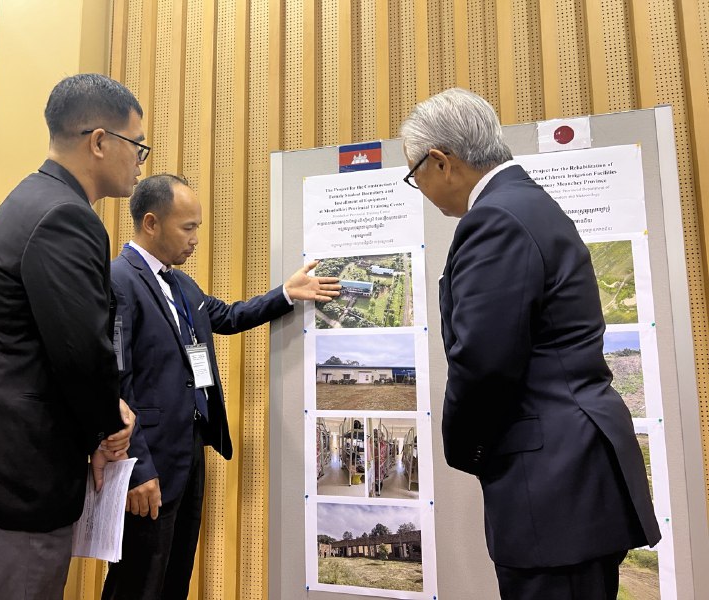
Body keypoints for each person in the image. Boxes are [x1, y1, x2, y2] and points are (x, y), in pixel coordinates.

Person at [399, 88, 661, 599]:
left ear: (441, 162)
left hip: (553, 482)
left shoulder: (495, 219)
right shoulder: (526, 204)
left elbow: (483, 362)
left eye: (415, 175)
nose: (421, 188)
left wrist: (468, 451)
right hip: (572, 471)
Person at [0, 73, 144, 599]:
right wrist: (111, 427)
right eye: (137, 145)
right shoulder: (66, 216)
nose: (139, 160)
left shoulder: (32, 197)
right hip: (13, 477)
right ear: (100, 141)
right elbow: (80, 353)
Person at [102, 174, 340, 600]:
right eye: (187, 227)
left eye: (198, 227)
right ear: (151, 223)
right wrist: (137, 467)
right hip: (149, 459)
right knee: (137, 581)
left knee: (174, 575)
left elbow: (228, 317)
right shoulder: (119, 280)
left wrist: (286, 294)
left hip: (189, 451)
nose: (195, 239)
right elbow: (116, 383)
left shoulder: (180, 284)